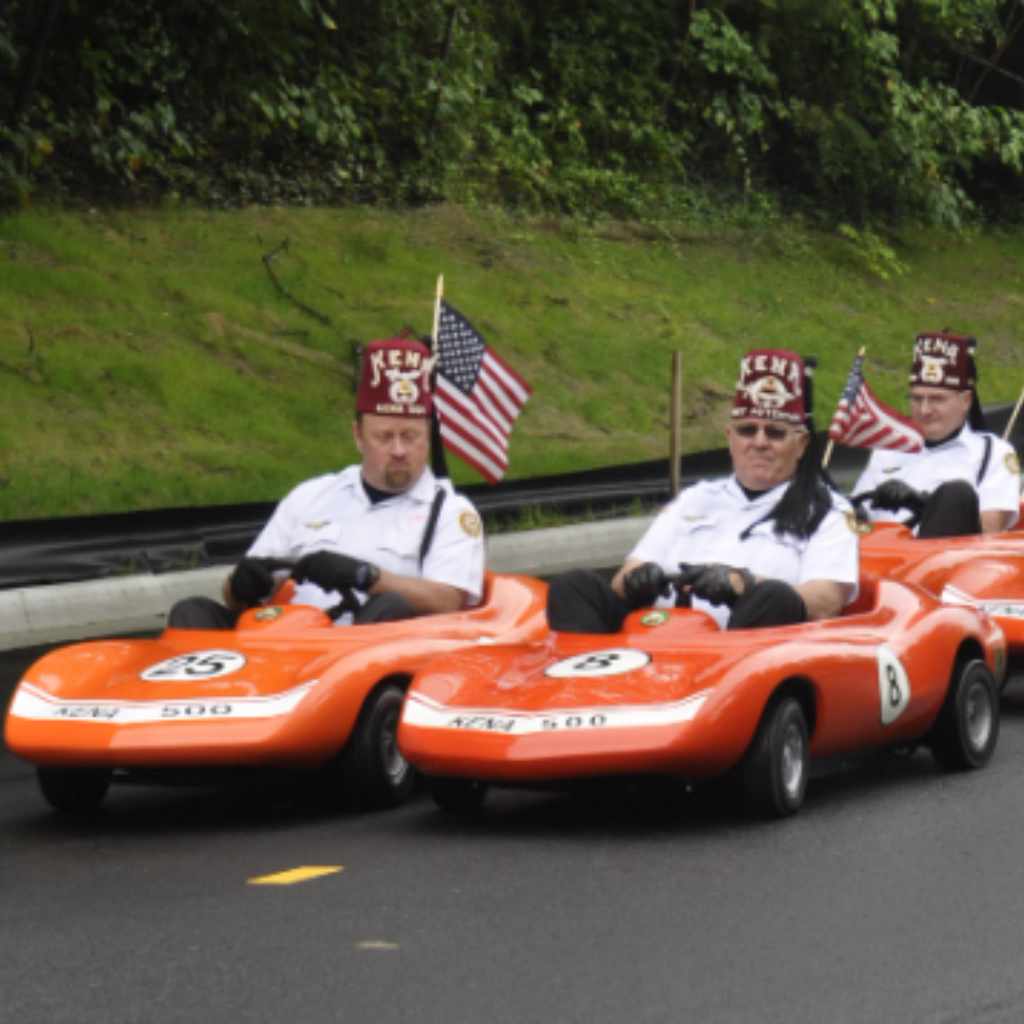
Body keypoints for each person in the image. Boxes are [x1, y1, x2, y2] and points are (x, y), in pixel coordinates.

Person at [169, 336, 485, 629]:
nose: (399, 450)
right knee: (191, 612)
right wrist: (241, 584)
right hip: (289, 639)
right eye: (385, 437)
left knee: (390, 606)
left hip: (371, 649)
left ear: (428, 436)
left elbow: (448, 600)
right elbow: (237, 598)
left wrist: (367, 577)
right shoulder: (311, 496)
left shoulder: (450, 512)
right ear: (358, 436)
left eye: (410, 436)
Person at [546, 348, 859, 633]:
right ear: (729, 437)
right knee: (573, 586)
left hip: (743, 648)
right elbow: (624, 576)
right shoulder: (695, 498)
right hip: (655, 637)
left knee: (773, 597)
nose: (760, 442)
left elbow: (826, 600)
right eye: (747, 430)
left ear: (801, 444)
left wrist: (744, 584)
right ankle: (576, 673)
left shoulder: (826, 511)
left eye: (775, 433)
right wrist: (639, 579)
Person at [853, 331, 1020, 537]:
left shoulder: (993, 453)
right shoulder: (888, 450)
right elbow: (855, 516)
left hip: (945, 554)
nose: (924, 410)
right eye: (916, 399)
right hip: (878, 553)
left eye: (937, 399)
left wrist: (923, 503)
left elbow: (990, 531)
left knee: (957, 493)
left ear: (966, 401)